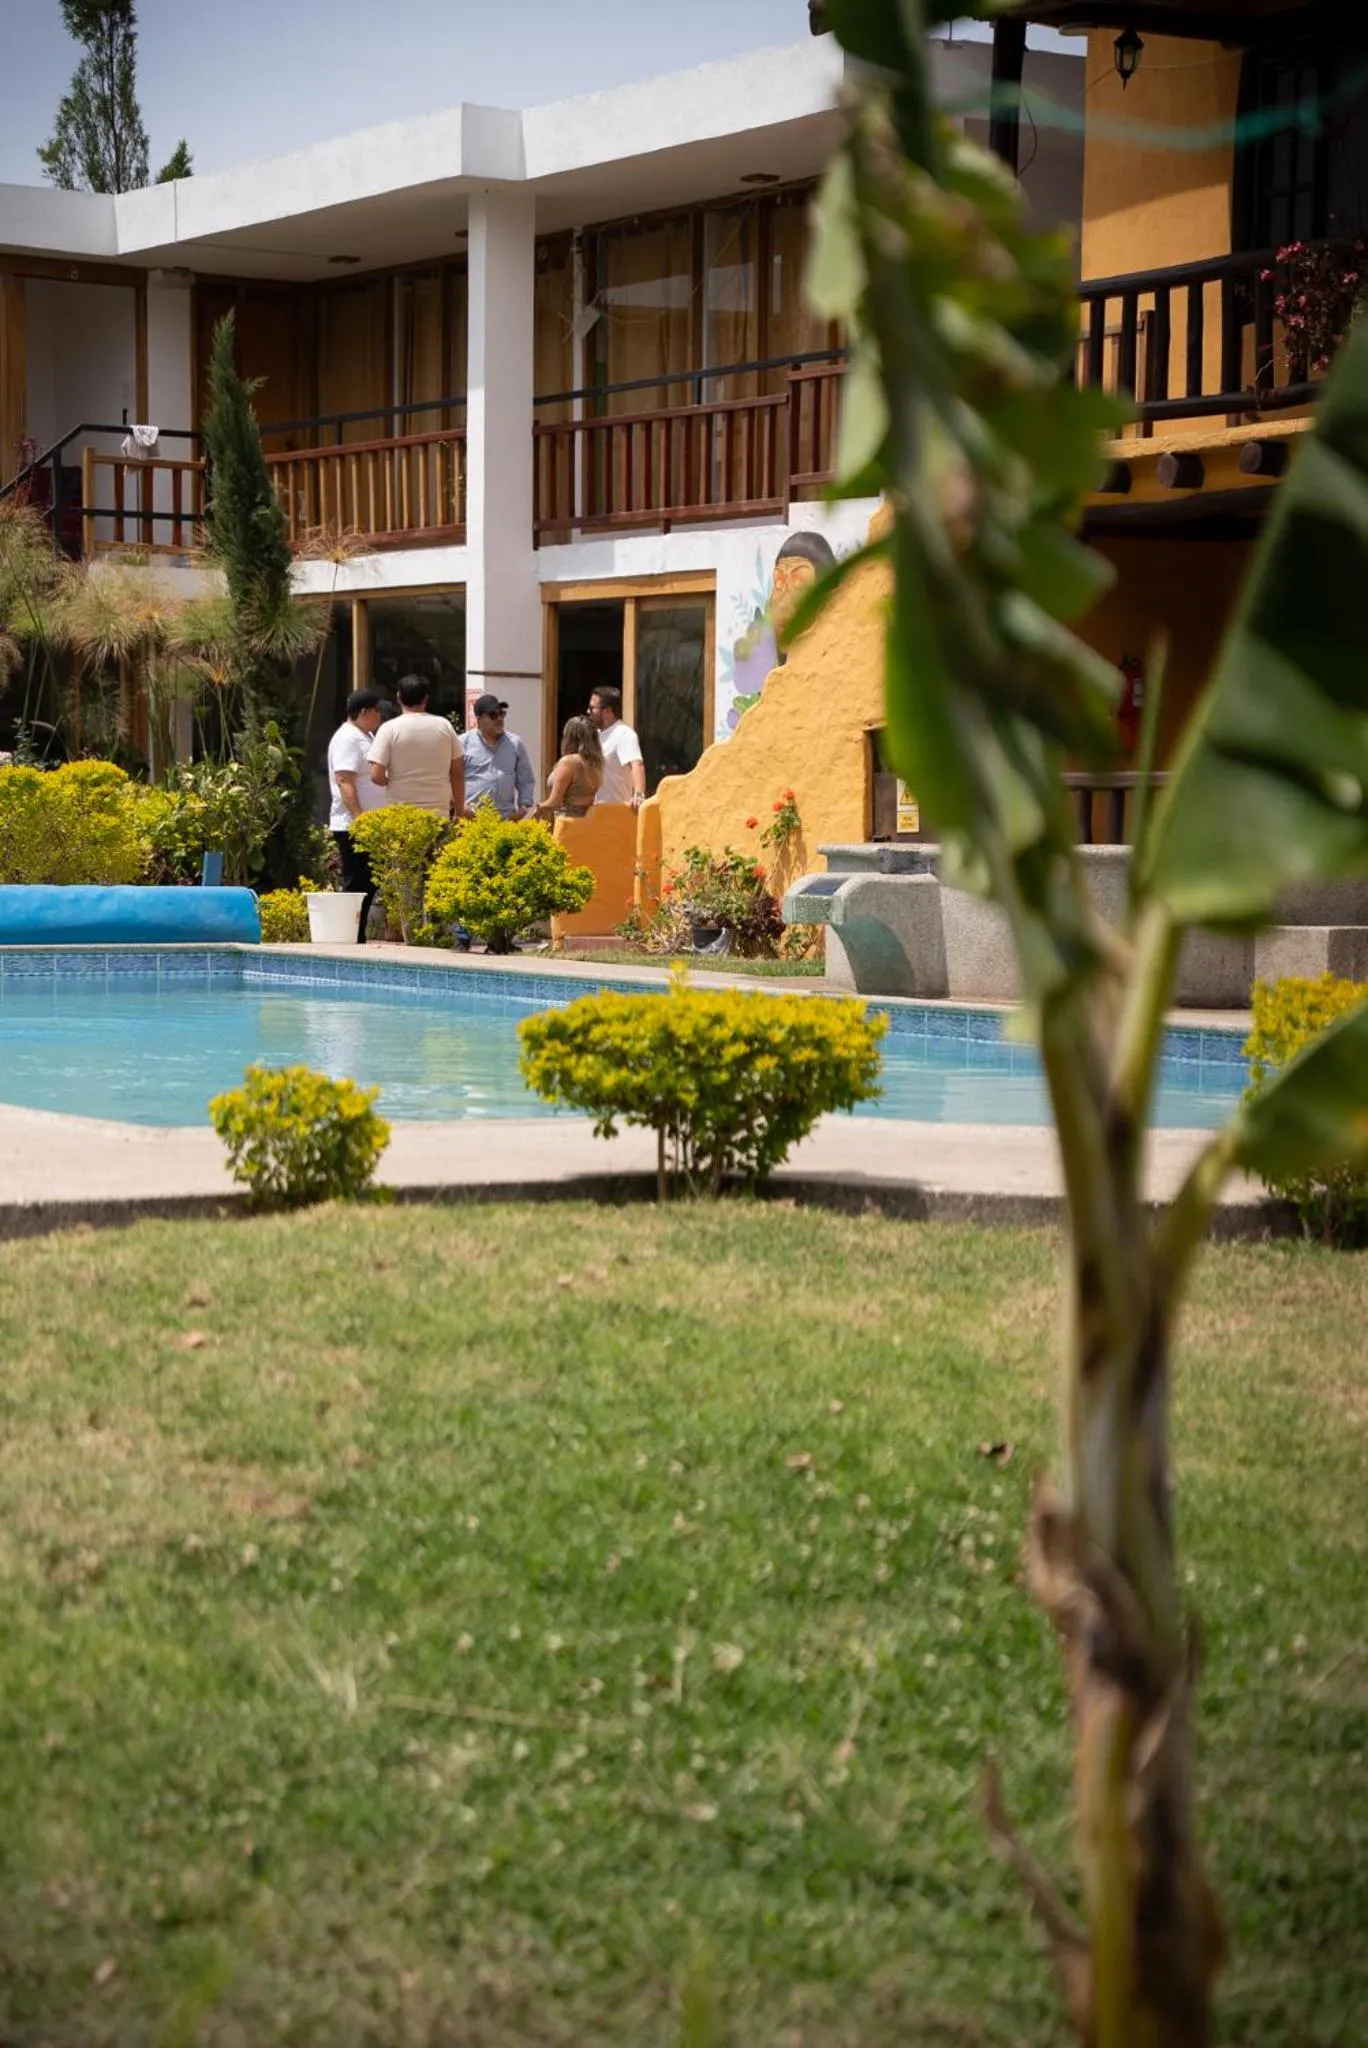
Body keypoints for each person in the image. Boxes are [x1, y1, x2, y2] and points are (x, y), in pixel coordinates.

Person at [326, 689, 385, 942]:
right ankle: (349, 937)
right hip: (353, 825)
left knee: (367, 882)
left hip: (364, 825)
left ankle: (356, 935)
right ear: (364, 712)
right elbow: (344, 779)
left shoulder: (364, 736)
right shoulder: (348, 738)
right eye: (377, 711)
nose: (380, 716)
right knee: (356, 882)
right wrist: (360, 818)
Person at [367, 674, 464, 818]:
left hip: (401, 815)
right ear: (426, 698)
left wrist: (393, 782)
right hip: (438, 814)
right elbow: (457, 773)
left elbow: (376, 775)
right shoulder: (444, 726)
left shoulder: (389, 729)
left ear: (398, 697)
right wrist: (460, 810)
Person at [461, 694, 535, 819]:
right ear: (478, 718)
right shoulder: (463, 743)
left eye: (502, 714)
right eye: (493, 715)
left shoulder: (515, 743)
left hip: (506, 821)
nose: (499, 718)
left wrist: (523, 809)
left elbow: (526, 780)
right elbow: (449, 780)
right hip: (472, 821)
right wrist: (462, 808)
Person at [587, 685, 645, 808]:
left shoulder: (623, 734)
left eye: (592, 708)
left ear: (607, 711)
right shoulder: (595, 735)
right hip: (594, 813)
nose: (588, 712)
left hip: (615, 814)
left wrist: (639, 796)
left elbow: (636, 765)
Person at [537, 715, 604, 820]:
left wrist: (536, 810)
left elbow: (554, 802)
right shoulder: (595, 764)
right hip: (586, 824)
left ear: (570, 737)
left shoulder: (569, 762)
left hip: (566, 824)